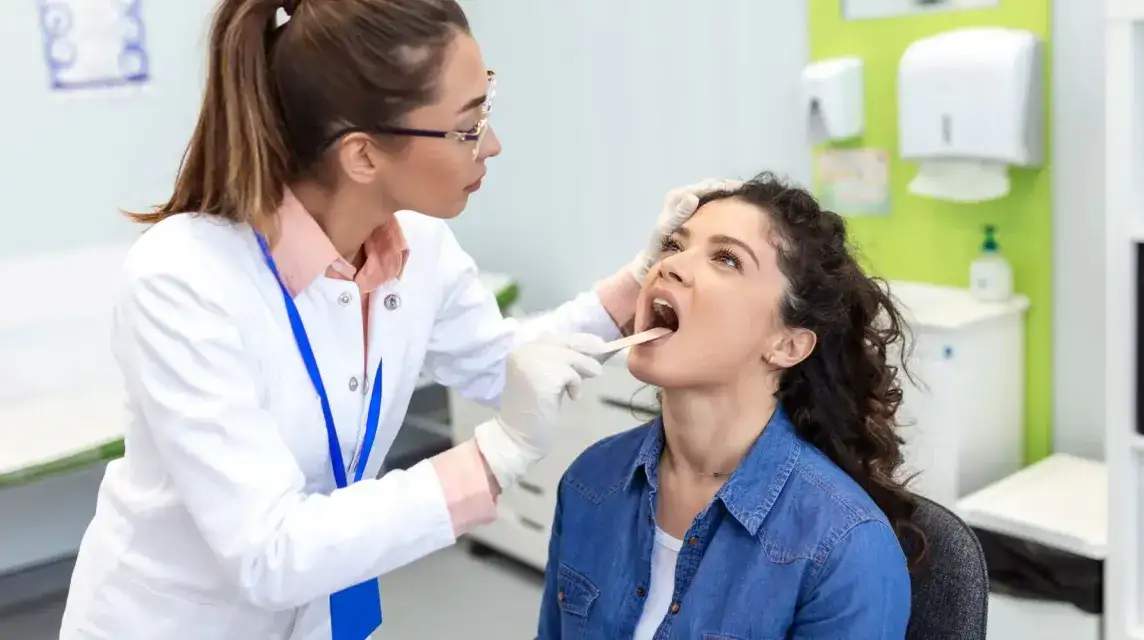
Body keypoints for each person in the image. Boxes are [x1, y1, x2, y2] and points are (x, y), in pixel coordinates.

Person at [58, 1, 734, 638]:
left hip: (319, 611)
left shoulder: (419, 249)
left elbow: (504, 363)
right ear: (361, 155)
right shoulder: (183, 279)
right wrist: (493, 457)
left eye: (487, 105)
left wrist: (634, 283)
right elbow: (269, 551)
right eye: (469, 124)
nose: (492, 144)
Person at [537, 173, 923, 639]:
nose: (670, 266)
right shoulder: (590, 480)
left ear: (786, 345)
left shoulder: (845, 548)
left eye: (726, 259)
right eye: (674, 246)